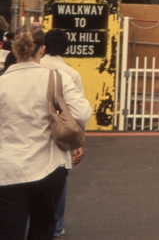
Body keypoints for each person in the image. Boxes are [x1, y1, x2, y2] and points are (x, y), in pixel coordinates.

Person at [0, 25, 91, 239]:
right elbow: (83, 112)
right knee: (43, 229)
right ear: (42, 50)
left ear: (14, 50)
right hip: (49, 166)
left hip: (7, 168)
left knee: (9, 231)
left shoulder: (2, 83)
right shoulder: (57, 78)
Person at [40, 29, 84, 238]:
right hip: (61, 132)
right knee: (60, 173)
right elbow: (79, 113)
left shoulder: (36, 67)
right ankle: (57, 226)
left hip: (36, 127)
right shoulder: (71, 74)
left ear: (44, 46)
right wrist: (78, 144)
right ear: (66, 48)